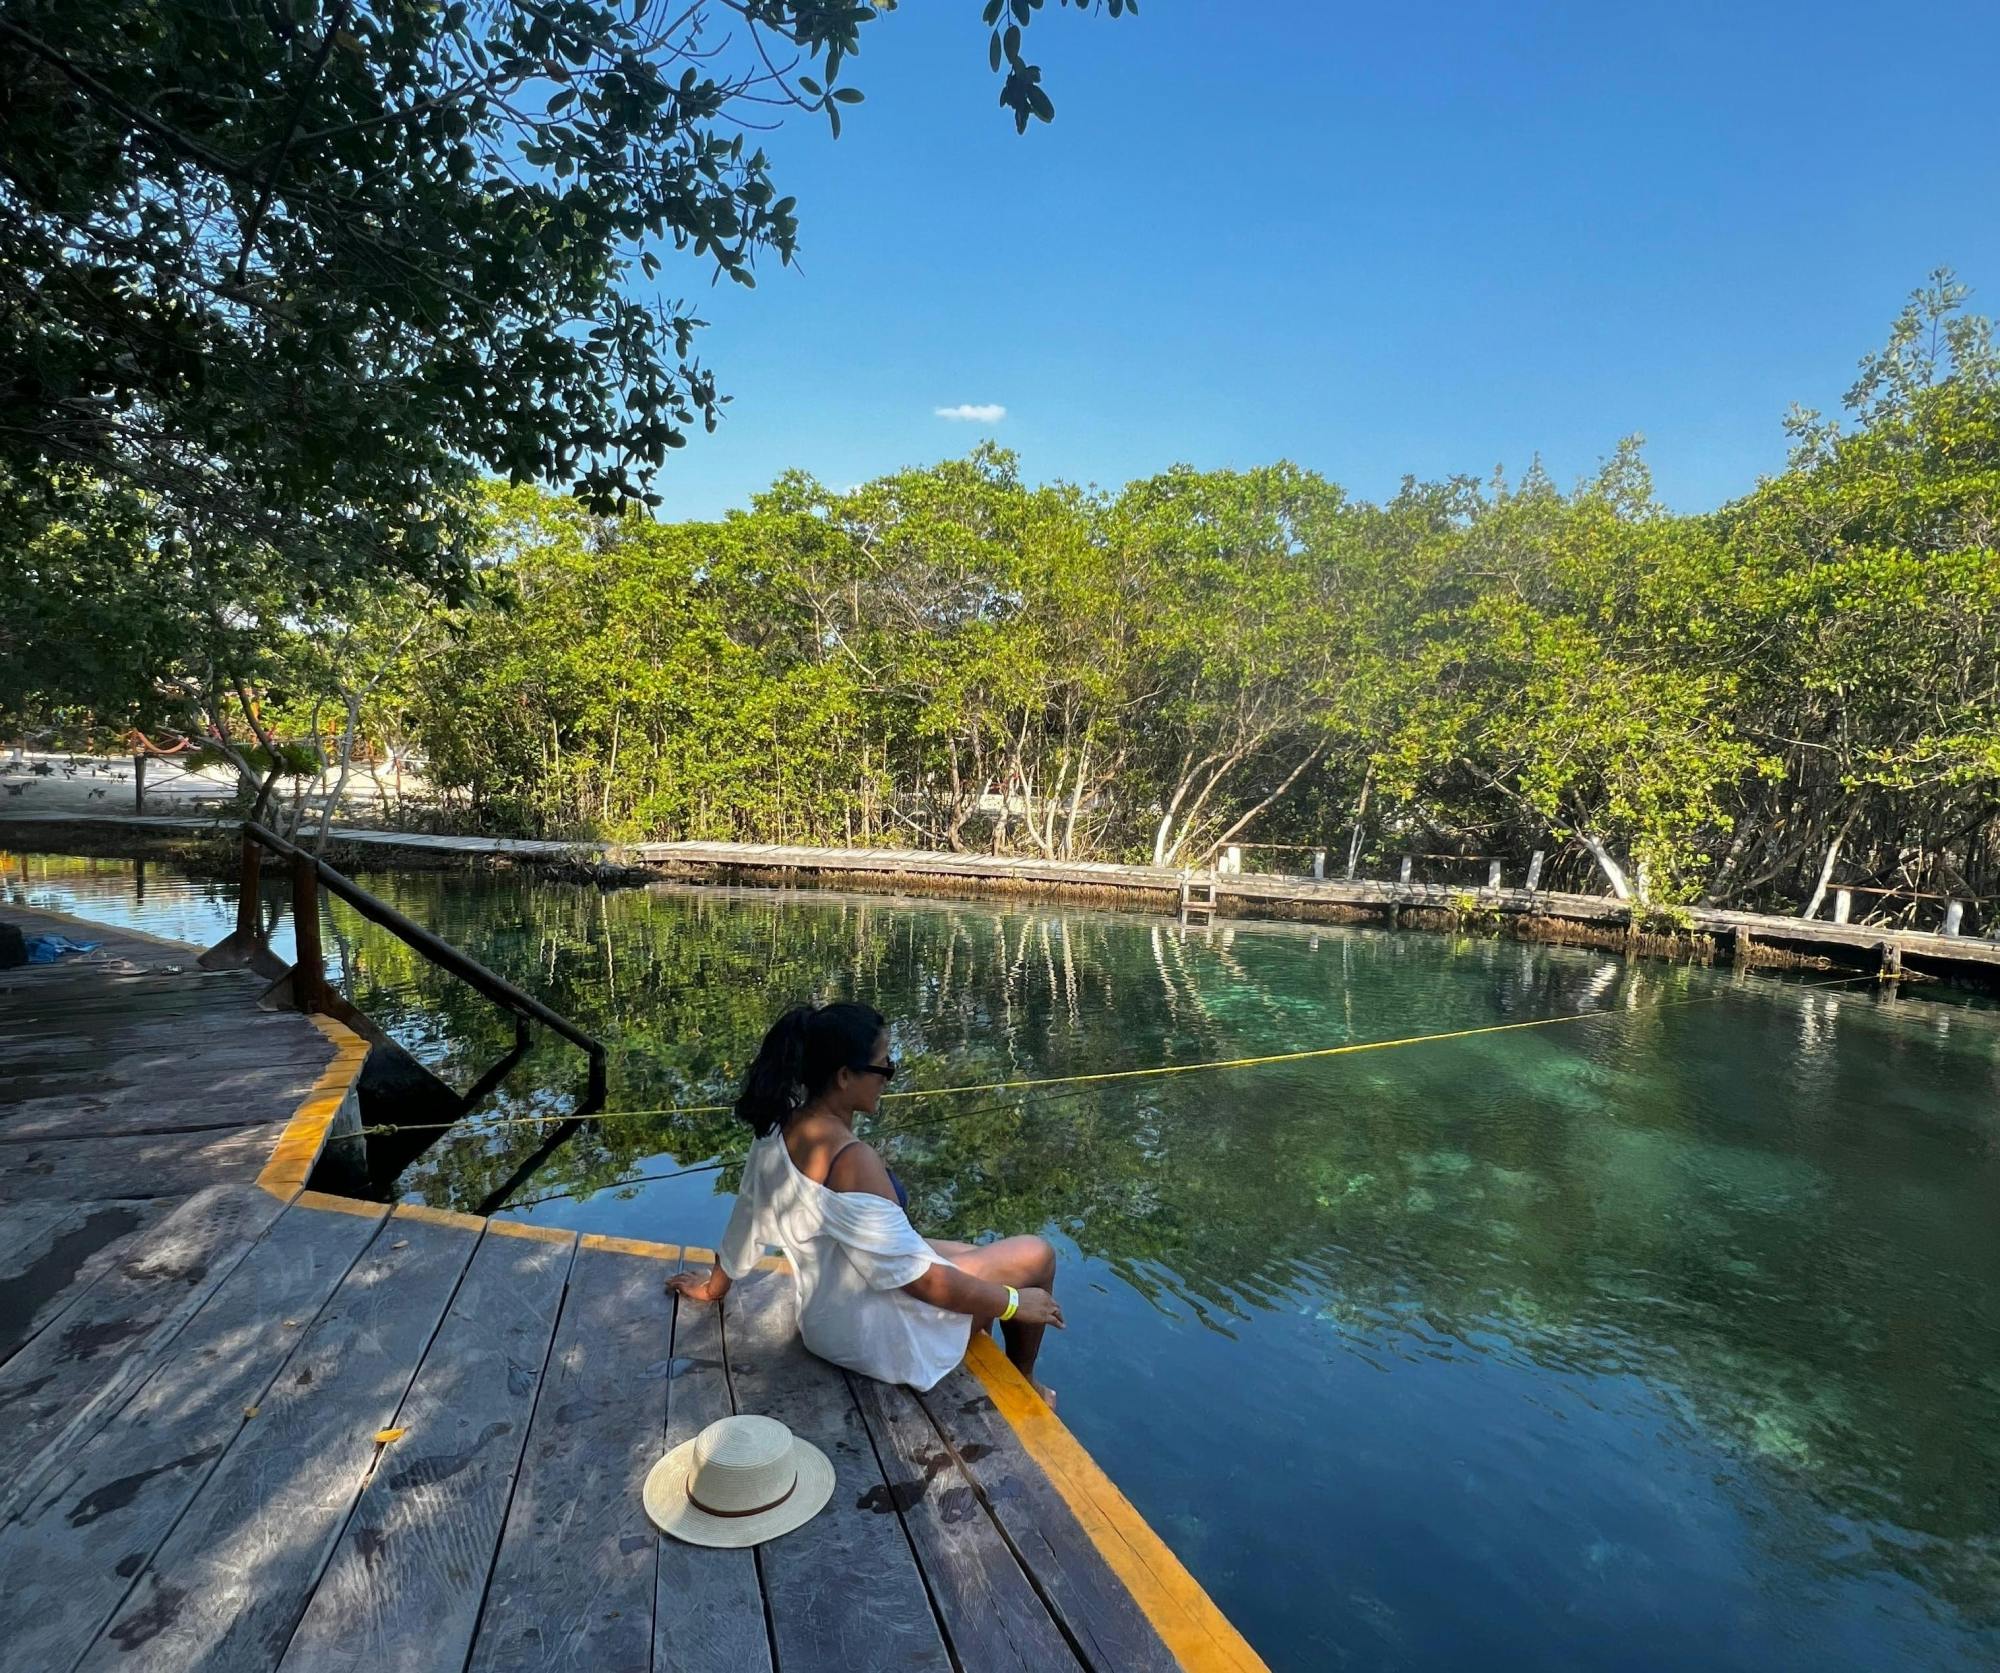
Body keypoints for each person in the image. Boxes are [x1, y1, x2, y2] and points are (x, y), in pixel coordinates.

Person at [666, 1001, 1064, 1401]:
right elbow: (919, 1280)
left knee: (979, 1255)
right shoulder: (851, 1159)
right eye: (883, 1066)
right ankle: (1023, 1381)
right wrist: (1014, 1303)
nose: (888, 1077)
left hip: (826, 1321)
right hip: (879, 1339)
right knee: (1035, 1256)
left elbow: (746, 1217)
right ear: (843, 1076)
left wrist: (713, 1288)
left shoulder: (777, 1128)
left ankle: (990, 1353)